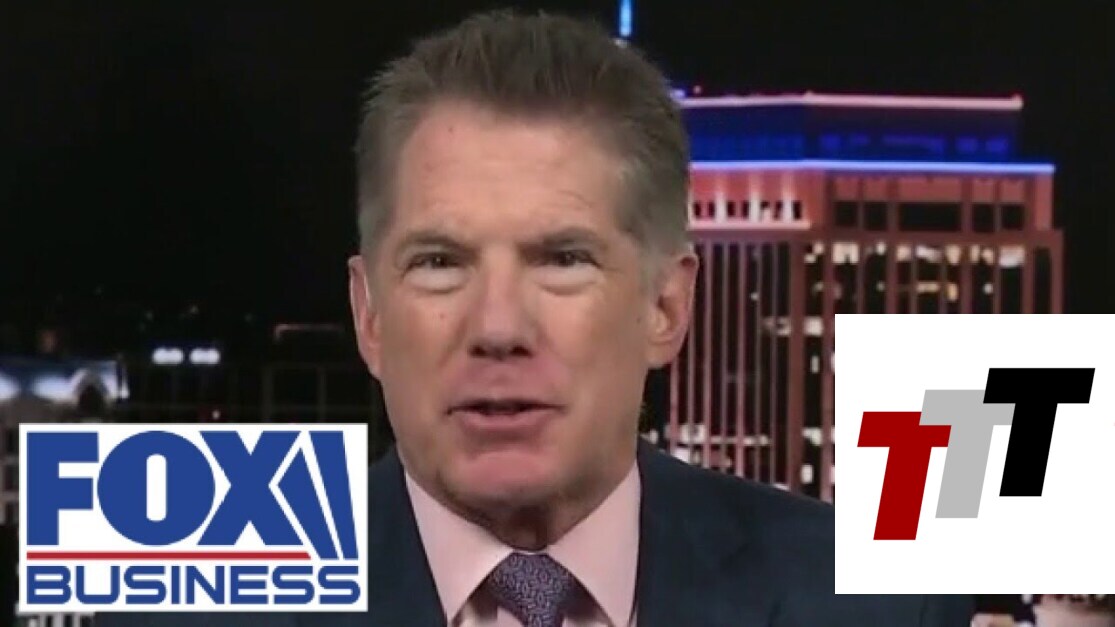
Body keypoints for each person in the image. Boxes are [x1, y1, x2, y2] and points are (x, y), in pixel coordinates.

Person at [99, 11, 973, 626]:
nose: (497, 326)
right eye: (439, 263)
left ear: (666, 306)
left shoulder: (872, 601)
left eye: (562, 260)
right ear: (368, 316)